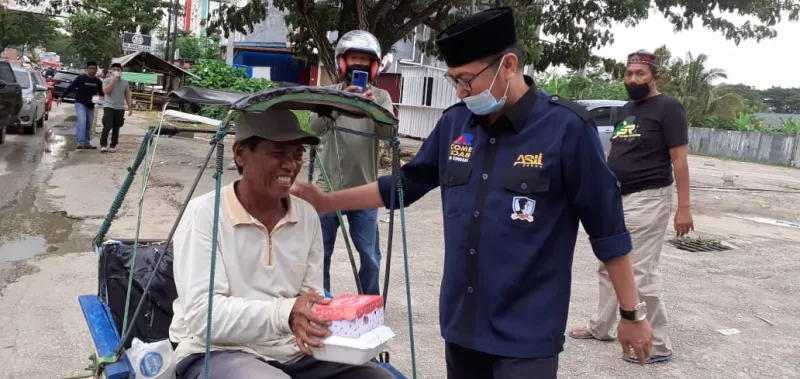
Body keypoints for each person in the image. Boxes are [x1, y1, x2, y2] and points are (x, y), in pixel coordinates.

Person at [291, 7, 653, 378]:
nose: (462, 93)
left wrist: (631, 314)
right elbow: (404, 185)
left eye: (467, 80)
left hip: (526, 336)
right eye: (454, 82)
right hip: (462, 329)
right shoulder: (454, 124)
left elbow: (608, 230)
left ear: (508, 65)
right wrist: (327, 201)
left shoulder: (567, 130)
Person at [169, 109, 394, 379]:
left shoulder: (307, 215)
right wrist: (286, 313)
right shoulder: (204, 214)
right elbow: (202, 316)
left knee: (380, 377)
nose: (290, 165)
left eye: (297, 155)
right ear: (241, 153)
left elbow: (310, 298)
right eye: (278, 154)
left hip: (292, 350)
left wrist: (348, 321)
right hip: (215, 350)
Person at [569, 49, 694, 364]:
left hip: (649, 198)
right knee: (607, 263)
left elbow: (679, 160)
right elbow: (615, 152)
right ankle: (602, 327)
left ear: (655, 77)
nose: (633, 79)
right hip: (618, 197)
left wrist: (684, 207)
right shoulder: (625, 110)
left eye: (640, 74)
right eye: (629, 74)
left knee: (639, 271)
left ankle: (659, 343)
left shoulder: (669, 108)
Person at [308, 30, 393, 296]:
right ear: (342, 63)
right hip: (326, 189)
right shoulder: (328, 94)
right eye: (353, 57)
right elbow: (314, 128)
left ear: (374, 65)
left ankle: (369, 304)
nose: (359, 63)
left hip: (364, 191)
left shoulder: (380, 98)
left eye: (364, 59)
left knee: (370, 256)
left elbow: (389, 135)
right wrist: (339, 104)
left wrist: (370, 108)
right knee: (320, 254)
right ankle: (322, 303)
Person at [57, 61, 103, 149]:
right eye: (91, 68)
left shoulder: (98, 81)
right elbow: (70, 87)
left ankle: (86, 143)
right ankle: (80, 142)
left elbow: (101, 94)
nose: (93, 70)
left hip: (91, 105)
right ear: (87, 69)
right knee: (82, 121)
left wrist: (101, 100)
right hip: (80, 103)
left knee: (88, 124)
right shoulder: (81, 78)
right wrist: (61, 96)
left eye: (95, 69)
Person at [100, 63, 133, 153]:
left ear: (121, 71)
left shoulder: (125, 83)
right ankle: (103, 145)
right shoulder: (106, 80)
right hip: (109, 105)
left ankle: (113, 145)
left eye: (118, 69)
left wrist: (130, 107)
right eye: (114, 69)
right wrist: (113, 81)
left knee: (116, 127)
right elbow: (105, 91)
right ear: (111, 70)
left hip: (120, 107)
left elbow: (127, 95)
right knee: (107, 126)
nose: (116, 71)